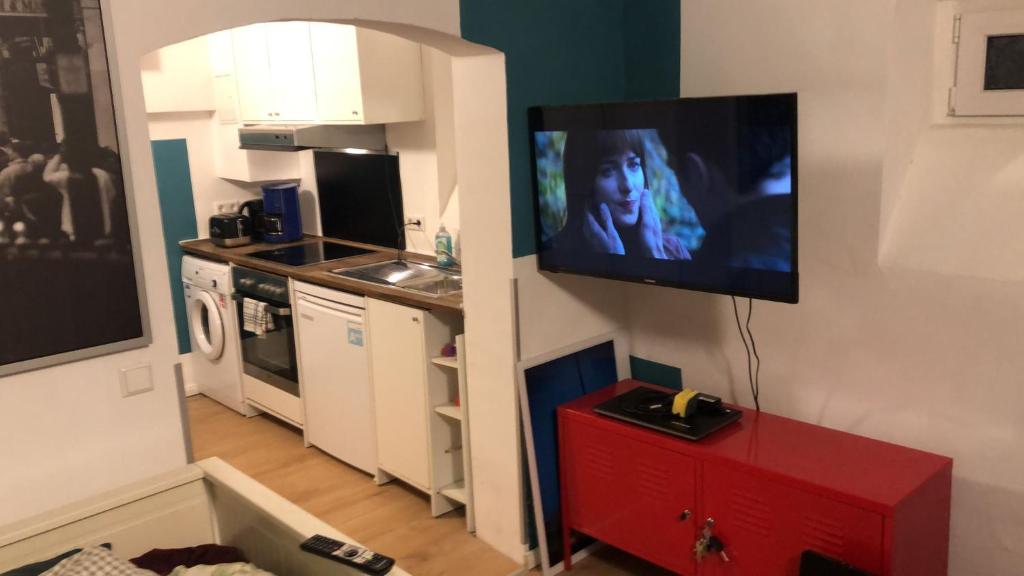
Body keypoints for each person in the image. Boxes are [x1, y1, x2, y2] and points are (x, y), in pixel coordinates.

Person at [548, 129, 690, 260]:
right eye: (608, 171)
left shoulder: (674, 251)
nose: (627, 186)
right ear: (583, 182)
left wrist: (655, 255)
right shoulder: (554, 253)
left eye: (633, 165)